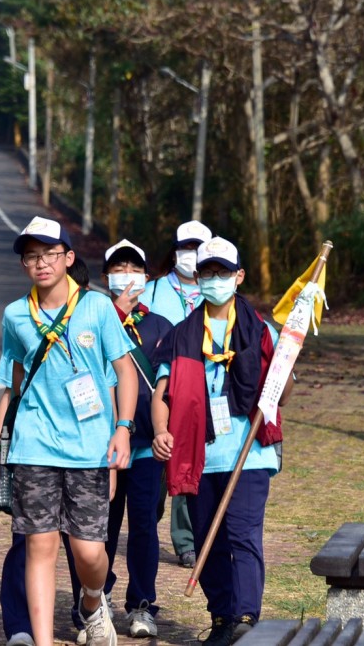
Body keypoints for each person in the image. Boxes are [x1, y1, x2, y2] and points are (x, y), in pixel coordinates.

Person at [0, 216, 138, 646]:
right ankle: (43, 640)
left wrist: (123, 429)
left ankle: (92, 601)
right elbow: (14, 386)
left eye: (49, 254)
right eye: (31, 256)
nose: (40, 263)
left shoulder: (97, 307)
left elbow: (124, 372)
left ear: (68, 258)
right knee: (39, 547)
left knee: (89, 552)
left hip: (90, 449)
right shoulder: (16, 314)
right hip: (34, 446)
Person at [150, 237, 294, 646]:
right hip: (200, 455)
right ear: (198, 277)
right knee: (205, 541)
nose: (215, 280)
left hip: (249, 453)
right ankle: (222, 618)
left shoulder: (261, 331)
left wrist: (285, 362)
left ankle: (247, 616)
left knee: (242, 533)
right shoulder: (181, 335)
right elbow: (162, 393)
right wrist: (161, 431)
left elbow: (281, 396)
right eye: (208, 273)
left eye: (223, 273)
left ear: (239, 276)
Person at [94, 238, 174, 640]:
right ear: (106, 276)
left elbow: (169, 386)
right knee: (101, 527)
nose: (126, 275)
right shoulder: (91, 320)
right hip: (100, 446)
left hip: (144, 447)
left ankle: (142, 605)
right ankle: (97, 598)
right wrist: (113, 315)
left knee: (144, 525)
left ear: (146, 276)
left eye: (133, 268)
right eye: (118, 269)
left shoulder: (160, 326)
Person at [139, 219, 212, 569]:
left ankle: (186, 541)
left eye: (199, 250)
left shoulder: (217, 293)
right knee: (154, 468)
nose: (192, 256)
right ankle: (146, 527)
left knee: (187, 462)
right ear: (175, 251)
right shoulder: (151, 292)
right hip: (154, 386)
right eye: (186, 249)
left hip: (194, 389)